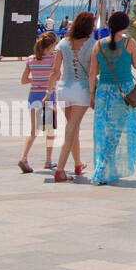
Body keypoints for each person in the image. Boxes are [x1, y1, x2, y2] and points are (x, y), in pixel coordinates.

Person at [88, 11, 136, 184]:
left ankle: (105, 166)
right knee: (116, 132)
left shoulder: (98, 44)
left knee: (104, 131)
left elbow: (92, 72)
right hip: (123, 91)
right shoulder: (129, 42)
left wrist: (91, 94)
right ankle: (102, 169)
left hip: (103, 91)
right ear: (125, 25)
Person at [49, 11, 96, 182]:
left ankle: (77, 163)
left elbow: (55, 71)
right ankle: (60, 169)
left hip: (63, 87)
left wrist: (48, 90)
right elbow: (92, 72)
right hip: (81, 88)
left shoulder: (63, 43)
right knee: (72, 127)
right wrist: (92, 93)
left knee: (72, 127)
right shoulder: (92, 44)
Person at [18, 32, 59, 173]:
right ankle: (48, 161)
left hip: (33, 95)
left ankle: (23, 157)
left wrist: (35, 80)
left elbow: (23, 80)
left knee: (33, 130)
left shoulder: (31, 59)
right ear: (52, 45)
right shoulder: (53, 59)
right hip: (48, 96)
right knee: (49, 130)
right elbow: (57, 77)